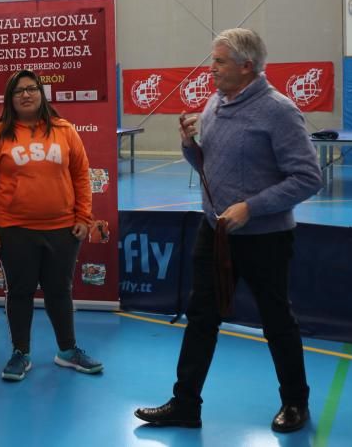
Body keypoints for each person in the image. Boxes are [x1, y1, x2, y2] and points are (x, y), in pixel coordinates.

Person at [135, 28, 321, 434]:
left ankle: (295, 402)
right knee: (201, 317)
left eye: (218, 61)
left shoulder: (280, 111)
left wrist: (251, 208)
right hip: (213, 233)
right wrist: (189, 144)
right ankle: (185, 404)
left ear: (246, 66)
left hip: (265, 239)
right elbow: (207, 164)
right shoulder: (216, 103)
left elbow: (308, 178)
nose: (211, 68)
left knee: (276, 319)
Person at [0, 69, 102, 382]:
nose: (27, 95)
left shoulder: (64, 130)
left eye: (32, 89)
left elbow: (81, 176)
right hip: (14, 229)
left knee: (60, 291)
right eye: (19, 91)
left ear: (42, 93)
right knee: (20, 291)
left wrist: (83, 217)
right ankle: (21, 353)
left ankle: (68, 351)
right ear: (10, 99)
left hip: (62, 229)